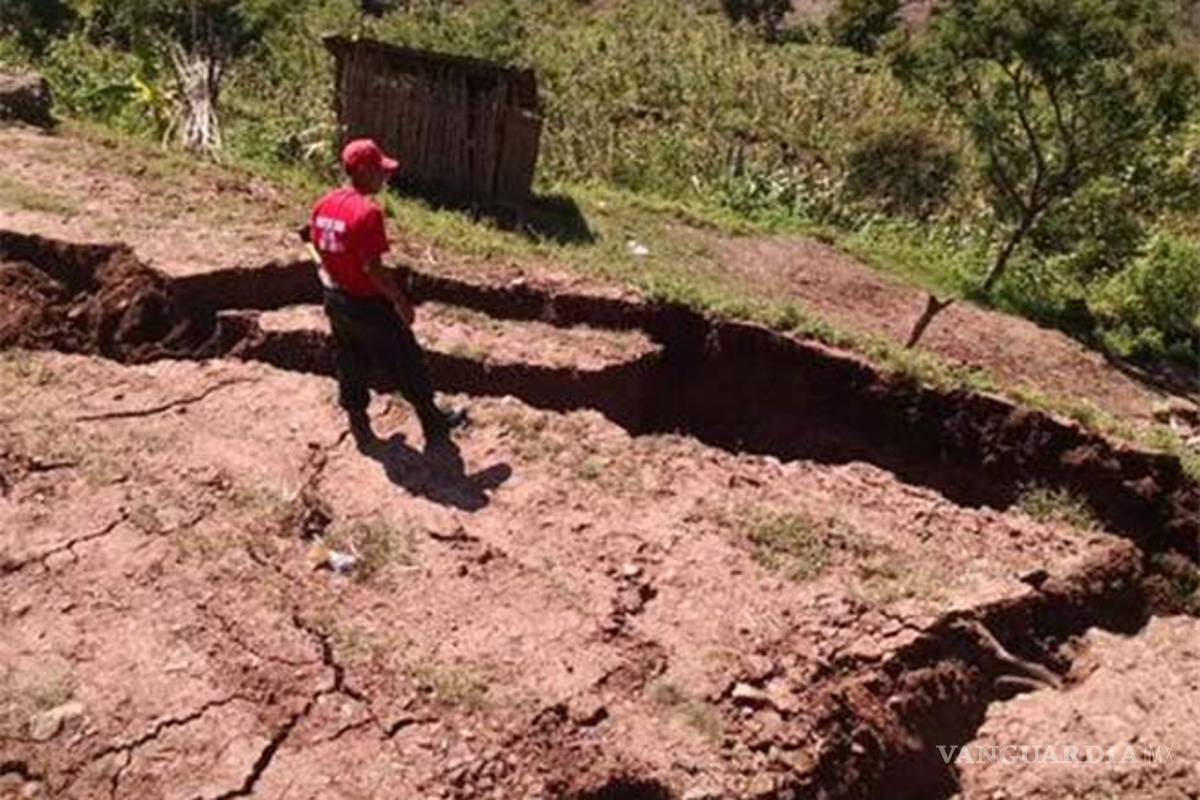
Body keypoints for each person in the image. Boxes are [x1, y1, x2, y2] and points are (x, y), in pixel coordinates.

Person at [307, 138, 466, 446]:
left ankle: (357, 418)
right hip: (368, 304)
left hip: (335, 298)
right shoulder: (368, 213)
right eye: (380, 170)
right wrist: (399, 301)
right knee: (406, 359)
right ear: (363, 171)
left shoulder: (323, 205)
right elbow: (373, 268)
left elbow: (318, 242)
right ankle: (433, 422)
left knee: (350, 356)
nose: (385, 176)